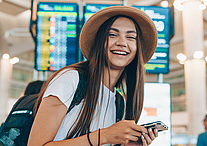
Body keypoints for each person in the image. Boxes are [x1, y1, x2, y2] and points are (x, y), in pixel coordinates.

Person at [28, 6, 158, 146]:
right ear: (99, 41)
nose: (122, 43)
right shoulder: (71, 80)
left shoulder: (119, 103)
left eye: (131, 37)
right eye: (112, 35)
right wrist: (104, 136)